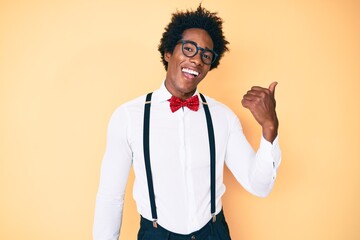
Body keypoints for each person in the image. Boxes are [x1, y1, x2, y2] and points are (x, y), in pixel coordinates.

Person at [93, 5, 281, 240]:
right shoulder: (129, 116)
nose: (196, 60)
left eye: (205, 55)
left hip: (213, 232)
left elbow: (259, 185)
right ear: (168, 53)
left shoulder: (223, 117)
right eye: (189, 49)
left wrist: (269, 129)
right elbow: (110, 197)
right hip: (156, 235)